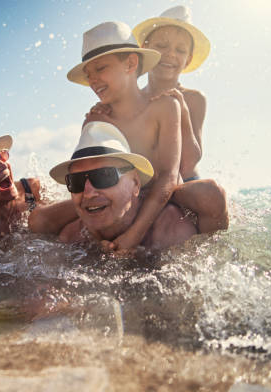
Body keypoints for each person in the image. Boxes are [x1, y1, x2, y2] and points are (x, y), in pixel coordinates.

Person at [65, 21, 227, 252]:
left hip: (164, 190)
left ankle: (216, 254)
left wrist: (134, 233)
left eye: (100, 69)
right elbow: (87, 178)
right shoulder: (96, 119)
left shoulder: (168, 105)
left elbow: (173, 175)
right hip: (127, 194)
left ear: (131, 63)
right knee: (40, 220)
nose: (93, 80)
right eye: (89, 74)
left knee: (212, 194)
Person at [49, 121, 199, 251]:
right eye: (76, 182)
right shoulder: (71, 237)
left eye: (104, 176)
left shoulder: (172, 231)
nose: (88, 193)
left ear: (135, 183)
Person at [133, 5, 210, 181]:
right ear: (145, 49)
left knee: (211, 194)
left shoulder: (194, 99)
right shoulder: (132, 99)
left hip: (184, 183)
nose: (170, 54)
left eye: (180, 50)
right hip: (143, 185)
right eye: (161, 45)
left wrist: (181, 109)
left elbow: (189, 164)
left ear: (188, 59)